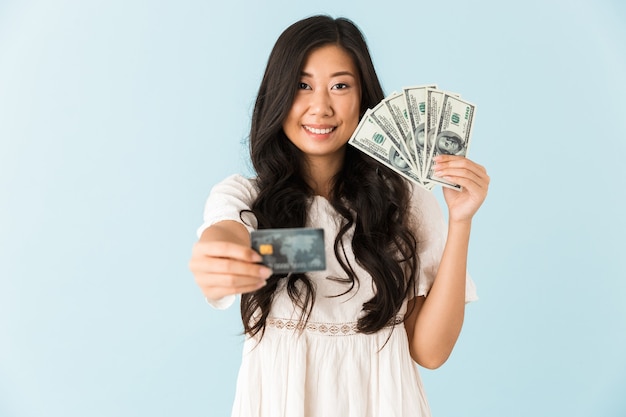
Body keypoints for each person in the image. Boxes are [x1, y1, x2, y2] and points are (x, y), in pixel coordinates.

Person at [189, 15, 490, 417]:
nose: (321, 106)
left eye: (340, 86)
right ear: (277, 94)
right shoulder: (247, 197)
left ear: (363, 97)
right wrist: (220, 261)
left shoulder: (405, 202)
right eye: (302, 85)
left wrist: (461, 221)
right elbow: (225, 242)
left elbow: (430, 352)